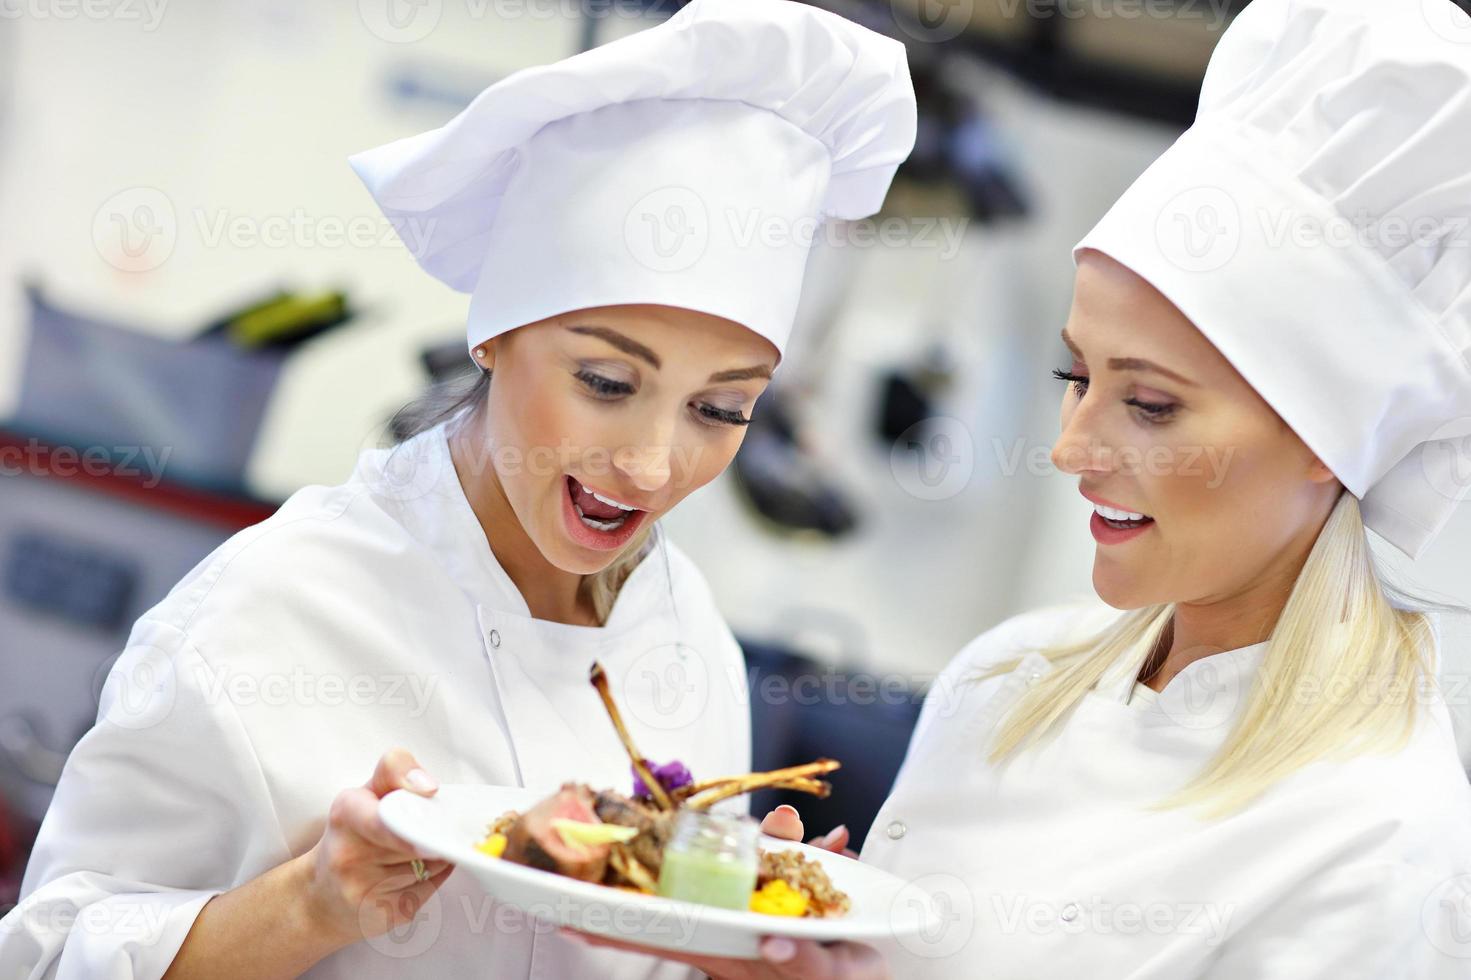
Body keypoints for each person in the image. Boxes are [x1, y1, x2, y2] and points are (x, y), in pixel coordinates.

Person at [0, 1, 916, 977]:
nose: (653, 464)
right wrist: (307, 905)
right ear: (494, 333)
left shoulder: (688, 635)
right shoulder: (275, 604)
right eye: (607, 383)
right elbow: (49, 955)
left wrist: (747, 946)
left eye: (720, 409)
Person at [583, 0, 1471, 975]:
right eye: (1074, 377)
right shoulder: (1005, 679)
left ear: (1321, 439)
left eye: (1151, 405)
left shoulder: (1377, 837)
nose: (1070, 448)